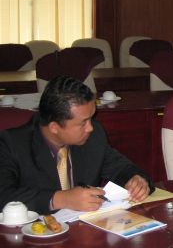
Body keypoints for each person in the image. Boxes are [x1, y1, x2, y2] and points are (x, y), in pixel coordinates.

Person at [0, 76, 154, 214]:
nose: (90, 127)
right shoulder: (10, 144)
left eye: (91, 118)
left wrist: (135, 179)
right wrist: (62, 199)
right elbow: (4, 195)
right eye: (83, 123)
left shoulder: (93, 136)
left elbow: (120, 167)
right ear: (54, 127)